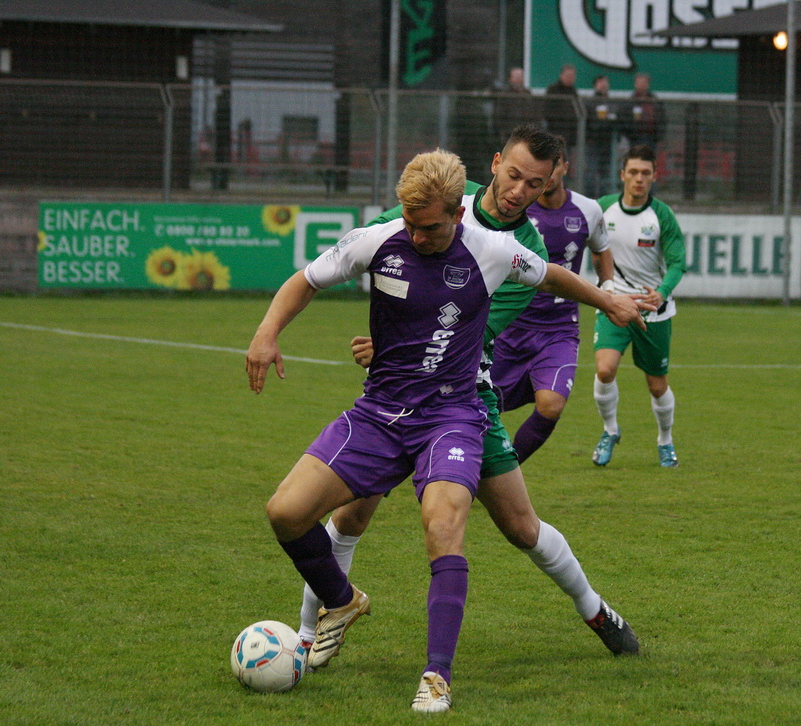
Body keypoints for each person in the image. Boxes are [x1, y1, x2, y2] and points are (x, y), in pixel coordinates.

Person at [287, 129, 649, 706]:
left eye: (537, 184)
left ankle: (596, 611)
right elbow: (381, 259)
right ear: (495, 164)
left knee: (521, 527)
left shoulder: (517, 247)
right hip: (397, 395)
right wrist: (391, 342)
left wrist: (610, 299)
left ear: (552, 181)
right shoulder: (434, 198)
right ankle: (308, 637)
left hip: (464, 397)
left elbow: (475, 328)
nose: (520, 192)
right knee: (351, 513)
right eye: (514, 176)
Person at [491, 150, 615, 463]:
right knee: (478, 404)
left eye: (551, 168)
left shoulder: (587, 209)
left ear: (562, 169)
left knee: (551, 405)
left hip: (558, 330)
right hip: (511, 326)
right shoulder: (516, 208)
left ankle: (505, 472)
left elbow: (602, 249)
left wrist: (609, 290)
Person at [592, 144, 686, 469]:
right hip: (614, 303)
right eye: (633, 172)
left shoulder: (661, 215)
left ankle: (665, 440)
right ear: (622, 175)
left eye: (646, 173)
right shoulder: (601, 209)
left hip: (652, 308)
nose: (639, 179)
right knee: (605, 369)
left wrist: (662, 291)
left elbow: (677, 262)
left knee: (657, 384)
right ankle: (610, 430)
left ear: (654, 176)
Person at [585, 74, 619, 198]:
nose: (603, 85)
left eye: (605, 82)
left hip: (608, 142)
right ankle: (589, 198)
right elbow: (587, 122)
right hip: (593, 142)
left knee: (606, 173)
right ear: (595, 85)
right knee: (591, 172)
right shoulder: (590, 102)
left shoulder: (612, 103)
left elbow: (617, 120)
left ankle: (604, 199)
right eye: (600, 82)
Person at [622, 73, 665, 150]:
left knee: (649, 160)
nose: (642, 85)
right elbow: (624, 118)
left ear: (648, 84)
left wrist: (659, 136)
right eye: (639, 83)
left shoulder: (655, 100)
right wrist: (631, 135)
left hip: (652, 137)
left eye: (644, 83)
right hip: (635, 138)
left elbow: (662, 118)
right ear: (635, 84)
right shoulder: (630, 101)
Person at [493, 67, 537, 143]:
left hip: (525, 134)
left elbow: (533, 113)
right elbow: (499, 114)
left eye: (520, 77)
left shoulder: (527, 93)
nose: (518, 79)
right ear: (510, 79)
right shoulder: (504, 94)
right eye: (516, 77)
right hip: (509, 133)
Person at [544, 64, 579, 155]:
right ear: (561, 75)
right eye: (568, 76)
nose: (570, 78)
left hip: (570, 134)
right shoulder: (553, 90)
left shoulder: (574, 92)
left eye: (572, 76)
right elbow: (547, 110)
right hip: (555, 132)